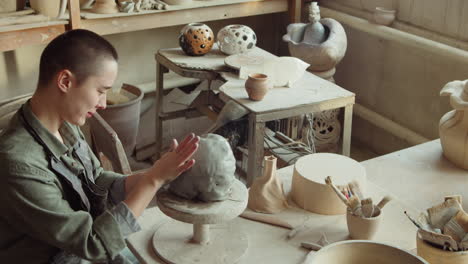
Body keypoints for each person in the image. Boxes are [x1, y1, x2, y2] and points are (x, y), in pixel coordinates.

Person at [0, 29, 200, 263]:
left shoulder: (64, 122)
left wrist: (152, 175)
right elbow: (92, 244)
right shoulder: (18, 164)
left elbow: (94, 178)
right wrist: (151, 181)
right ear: (65, 81)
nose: (104, 103)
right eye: (100, 91)